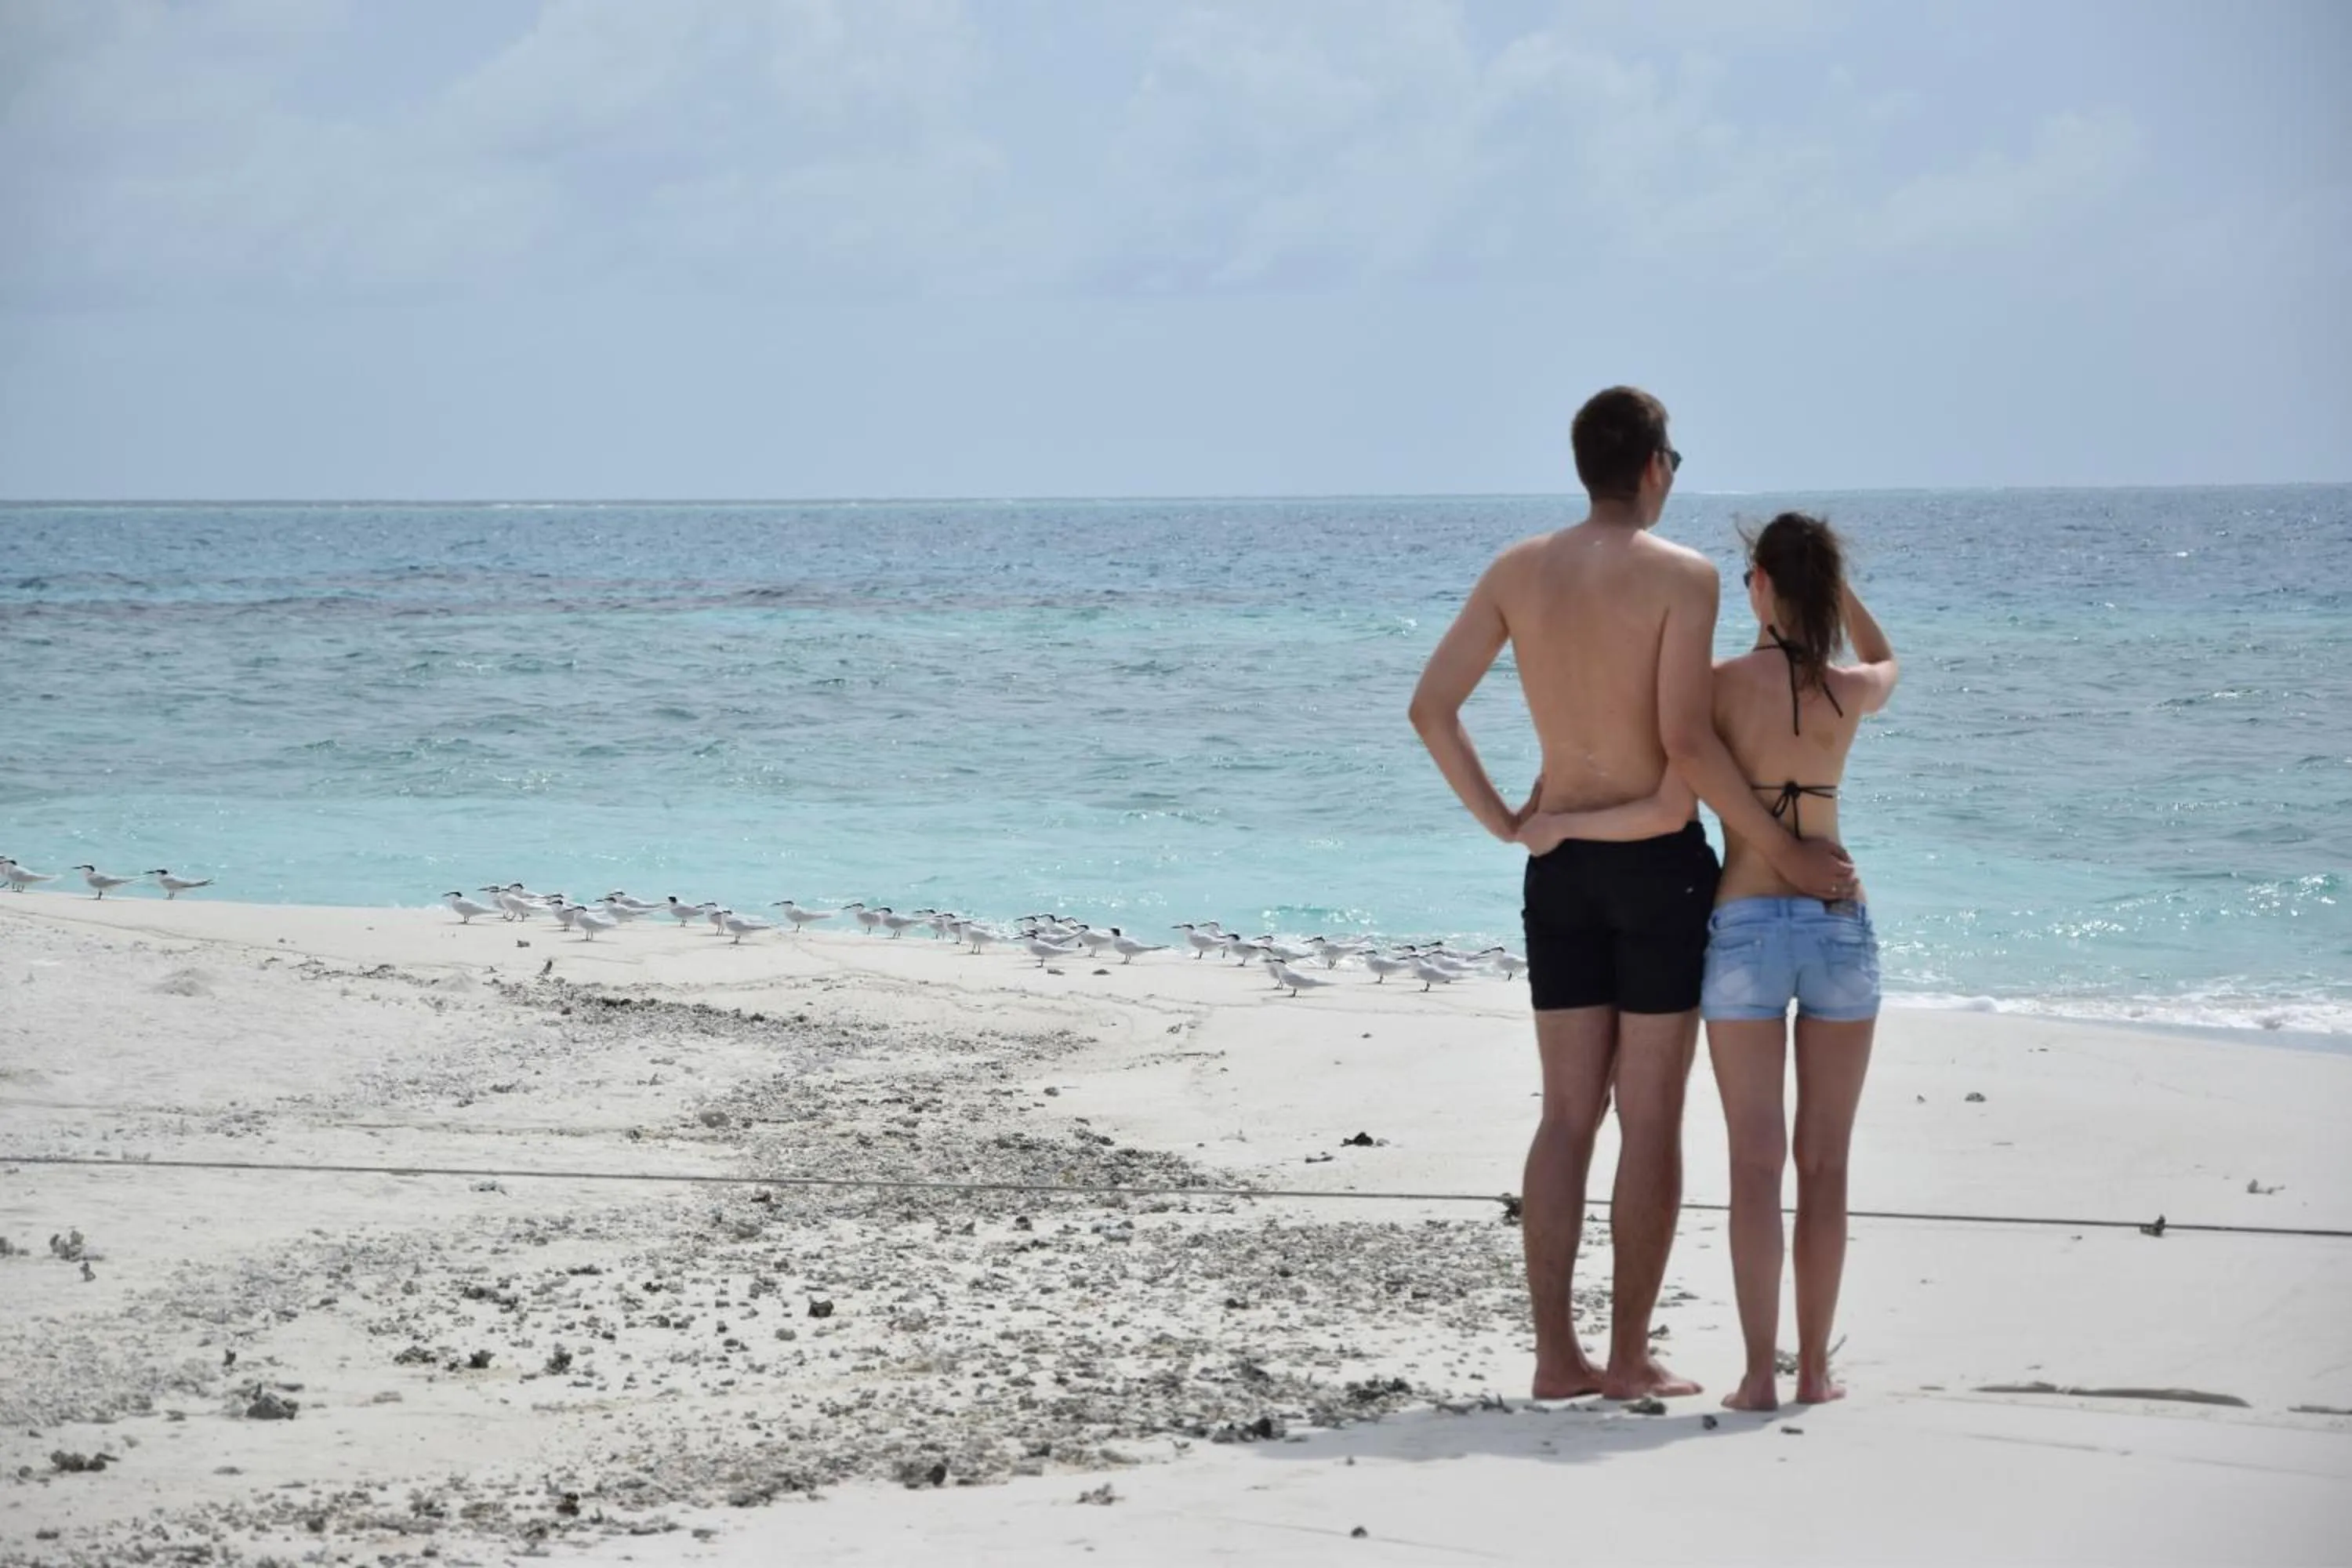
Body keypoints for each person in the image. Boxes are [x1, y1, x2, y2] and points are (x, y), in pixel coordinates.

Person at [1410, 389, 1854, 1401]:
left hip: (1557, 865)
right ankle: (1625, 1357)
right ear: (1653, 465)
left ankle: (1555, 1357)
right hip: (1657, 867)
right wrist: (1784, 854)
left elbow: (1431, 709)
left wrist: (1509, 823)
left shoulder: (1517, 571)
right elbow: (1687, 748)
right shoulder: (1684, 577)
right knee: (1649, 1117)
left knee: (1567, 1113)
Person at [1525, 511, 1897, 1410]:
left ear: (1760, 584)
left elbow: (1669, 779)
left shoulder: (1719, 687)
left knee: (1755, 1162)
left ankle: (1757, 1377)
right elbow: (1890, 662)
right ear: (1823, 587)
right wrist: (1837, 590)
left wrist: (1562, 816)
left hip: (1742, 928)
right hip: (1839, 924)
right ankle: (1814, 1371)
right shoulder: (1850, 688)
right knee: (1827, 1162)